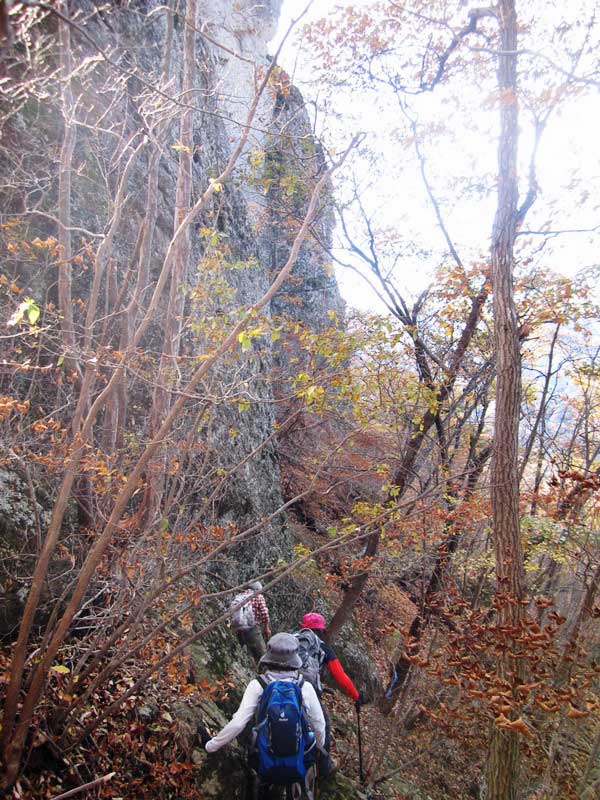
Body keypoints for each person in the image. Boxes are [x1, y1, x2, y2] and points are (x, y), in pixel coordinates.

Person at [203, 633, 326, 800]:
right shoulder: (305, 687)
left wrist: (211, 745)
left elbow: (239, 723)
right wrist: (318, 748)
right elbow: (319, 724)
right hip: (299, 759)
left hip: (264, 759)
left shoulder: (258, 685)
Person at [295, 612, 364, 777]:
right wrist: (355, 696)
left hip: (282, 684)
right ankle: (324, 767)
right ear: (320, 631)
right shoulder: (323, 648)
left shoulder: (292, 639)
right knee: (323, 723)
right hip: (307, 691)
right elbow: (340, 676)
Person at [230, 581, 272, 663]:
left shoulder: (240, 596)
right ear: (258, 589)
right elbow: (264, 614)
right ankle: (262, 672)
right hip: (252, 628)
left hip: (238, 628)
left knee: (240, 651)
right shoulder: (258, 596)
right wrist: (267, 628)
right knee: (261, 654)